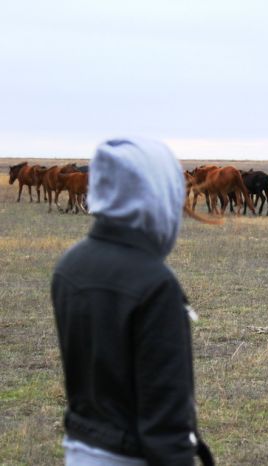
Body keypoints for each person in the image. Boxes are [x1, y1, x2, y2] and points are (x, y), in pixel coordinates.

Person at [52, 138, 214, 465]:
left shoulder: (70, 265)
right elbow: (166, 418)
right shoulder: (154, 283)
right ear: (156, 195)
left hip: (81, 447)